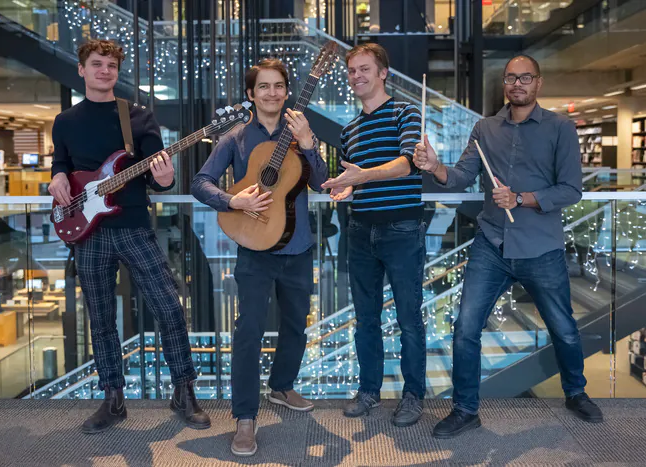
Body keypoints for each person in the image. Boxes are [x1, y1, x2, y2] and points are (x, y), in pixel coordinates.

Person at [413, 54, 604, 439]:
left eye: (525, 78)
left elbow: (571, 189)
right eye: (511, 78)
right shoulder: (485, 128)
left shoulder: (560, 128)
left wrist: (521, 199)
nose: (518, 84)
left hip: (541, 247)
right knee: (466, 327)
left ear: (538, 83)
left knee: (563, 328)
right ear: (505, 84)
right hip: (491, 243)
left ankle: (575, 392)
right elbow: (463, 175)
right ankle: (466, 409)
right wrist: (435, 166)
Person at [49, 39, 210, 434]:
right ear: (82, 70)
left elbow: (161, 175)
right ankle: (113, 398)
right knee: (101, 319)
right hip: (87, 233)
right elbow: (61, 163)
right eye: (97, 64)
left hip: (134, 226)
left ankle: (184, 390)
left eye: (111, 65)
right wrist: (55, 177)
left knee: (169, 308)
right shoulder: (65, 121)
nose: (105, 70)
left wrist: (166, 177)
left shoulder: (137, 118)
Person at [191, 58, 329, 457]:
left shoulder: (302, 131)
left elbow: (322, 183)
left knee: (296, 326)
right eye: (263, 87)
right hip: (253, 249)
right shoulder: (234, 138)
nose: (272, 93)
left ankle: (283, 387)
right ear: (250, 94)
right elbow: (200, 182)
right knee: (248, 332)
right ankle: (246, 417)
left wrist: (309, 145)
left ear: (288, 91)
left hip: (298, 246)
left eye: (279, 86)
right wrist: (232, 199)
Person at [321, 43, 426, 427]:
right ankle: (369, 391)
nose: (356, 77)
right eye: (351, 71)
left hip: (401, 228)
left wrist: (362, 175)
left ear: (384, 73)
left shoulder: (405, 112)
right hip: (360, 230)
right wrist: (346, 188)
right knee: (366, 319)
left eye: (364, 69)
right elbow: (355, 181)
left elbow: (407, 164)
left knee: (409, 319)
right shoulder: (349, 130)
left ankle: (413, 395)